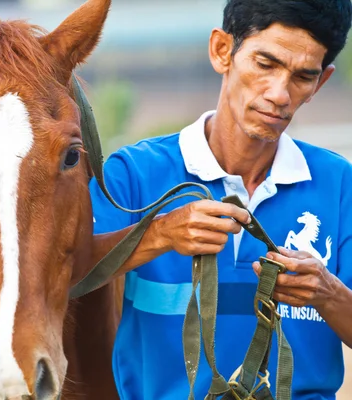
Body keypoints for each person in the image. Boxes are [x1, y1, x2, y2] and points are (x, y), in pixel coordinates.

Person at [88, 0, 352, 398]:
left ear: (322, 82)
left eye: (303, 76)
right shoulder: (132, 175)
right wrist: (158, 235)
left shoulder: (340, 185)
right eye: (266, 64)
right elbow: (66, 278)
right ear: (221, 51)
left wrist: (328, 293)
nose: (280, 94)